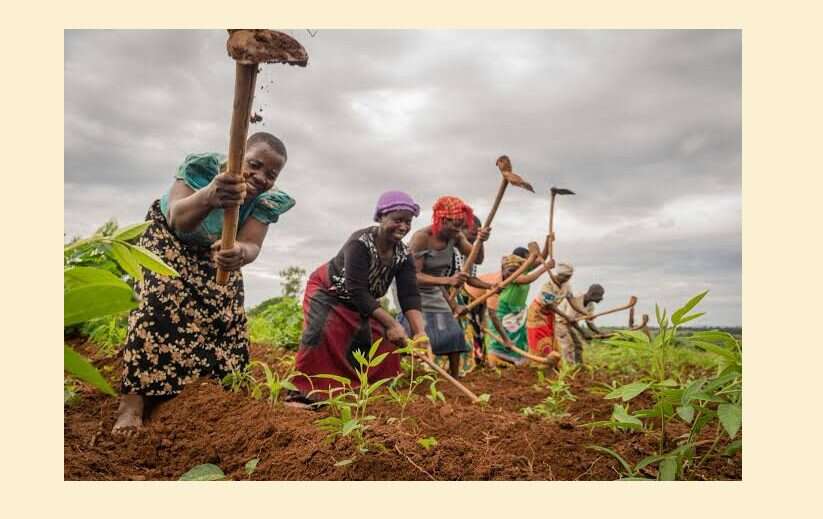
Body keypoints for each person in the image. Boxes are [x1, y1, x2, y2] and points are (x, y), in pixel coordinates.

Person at [114, 132, 296, 434]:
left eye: (271, 174)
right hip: (168, 239)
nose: (261, 177)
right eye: (254, 164)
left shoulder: (266, 201)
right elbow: (177, 218)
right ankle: (132, 403)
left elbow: (252, 243)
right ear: (238, 155)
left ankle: (218, 398)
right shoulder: (204, 170)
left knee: (228, 317)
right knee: (159, 301)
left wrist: (239, 253)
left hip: (213, 251)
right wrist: (211, 195)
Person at [290, 191, 431, 405]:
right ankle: (304, 394)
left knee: (380, 340)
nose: (403, 227)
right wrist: (393, 323)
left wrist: (420, 333)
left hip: (363, 302)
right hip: (328, 292)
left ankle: (370, 394)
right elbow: (356, 289)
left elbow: (409, 294)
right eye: (397, 220)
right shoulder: (360, 242)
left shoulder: (403, 254)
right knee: (319, 332)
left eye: (408, 222)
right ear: (381, 217)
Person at [404, 196, 492, 378]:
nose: (460, 230)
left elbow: (478, 259)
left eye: (462, 225)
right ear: (442, 220)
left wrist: (480, 242)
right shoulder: (422, 238)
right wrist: (448, 281)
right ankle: (408, 375)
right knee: (414, 334)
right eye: (456, 224)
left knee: (453, 333)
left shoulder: (456, 236)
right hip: (409, 290)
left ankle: (454, 378)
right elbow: (413, 276)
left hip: (436, 288)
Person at [486, 248, 549, 367]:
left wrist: (548, 240)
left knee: (519, 337)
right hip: (506, 309)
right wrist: (545, 268)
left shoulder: (523, 268)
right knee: (505, 335)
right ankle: (496, 357)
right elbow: (526, 279)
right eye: (528, 258)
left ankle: (516, 359)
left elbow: (542, 258)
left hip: (518, 310)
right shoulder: (512, 271)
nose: (531, 261)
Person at [526, 263, 574, 357]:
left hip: (549, 315)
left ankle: (550, 360)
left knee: (550, 337)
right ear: (559, 275)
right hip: (537, 313)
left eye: (569, 277)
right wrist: (567, 317)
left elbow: (572, 301)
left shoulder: (566, 285)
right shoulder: (548, 285)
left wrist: (583, 312)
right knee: (540, 337)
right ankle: (539, 362)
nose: (567, 279)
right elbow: (550, 305)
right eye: (566, 277)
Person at [554, 284, 605, 364]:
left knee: (578, 345)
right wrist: (583, 333)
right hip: (560, 323)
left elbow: (590, 323)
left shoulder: (590, 305)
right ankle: (568, 367)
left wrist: (600, 333)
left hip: (569, 325)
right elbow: (570, 319)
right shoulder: (576, 298)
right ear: (592, 294)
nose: (601, 299)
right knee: (568, 346)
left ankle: (579, 366)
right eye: (600, 296)